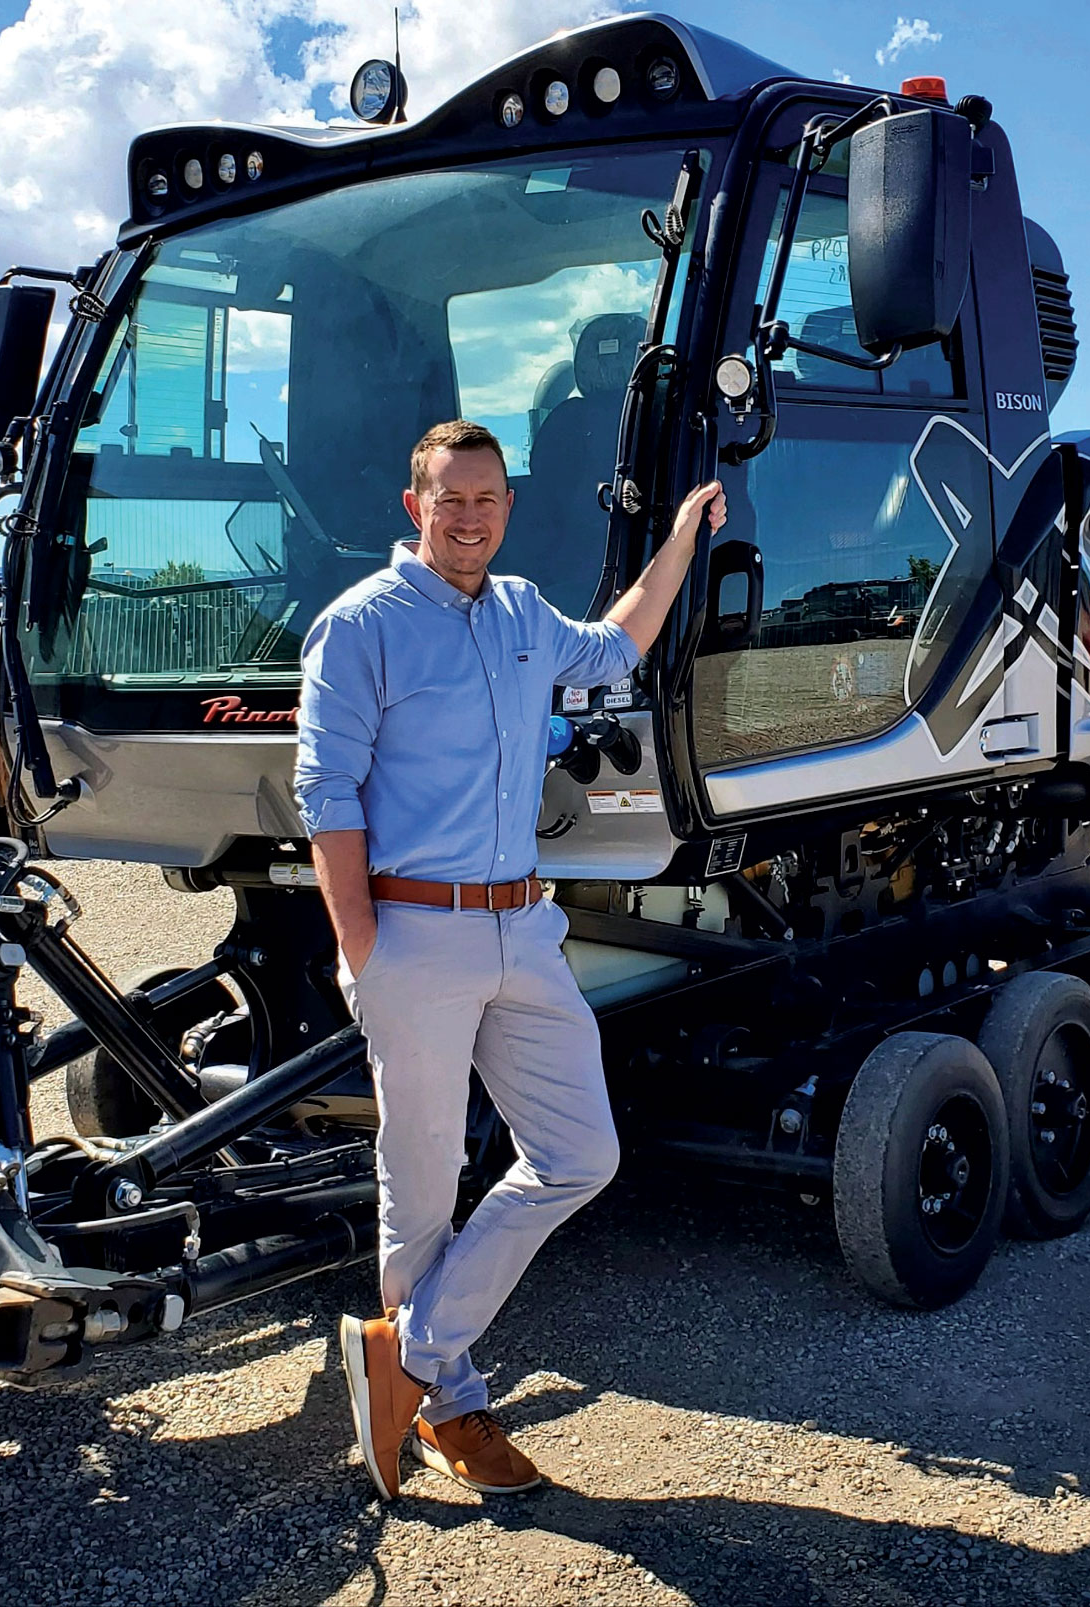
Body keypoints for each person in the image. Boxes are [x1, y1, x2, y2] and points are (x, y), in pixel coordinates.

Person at [294, 419, 725, 1501]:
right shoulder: (361, 627)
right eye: (450, 499)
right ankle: (452, 1408)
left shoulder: (526, 615)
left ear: (506, 507)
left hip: (523, 928)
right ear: (415, 506)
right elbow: (326, 797)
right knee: (424, 1184)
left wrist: (676, 537)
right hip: (415, 933)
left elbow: (621, 640)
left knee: (581, 1153)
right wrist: (362, 949)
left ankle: (411, 1350)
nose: (469, 516)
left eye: (487, 498)